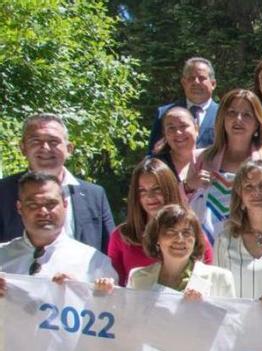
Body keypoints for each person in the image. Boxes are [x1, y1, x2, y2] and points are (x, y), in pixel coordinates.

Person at [187, 89, 262, 241]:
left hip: (259, 247)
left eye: (246, 115)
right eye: (231, 113)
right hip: (207, 251)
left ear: (257, 123)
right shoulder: (200, 158)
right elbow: (182, 209)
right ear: (222, 119)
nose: (238, 119)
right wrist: (188, 186)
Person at [0, 114, 114, 253]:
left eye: (54, 141)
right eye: (36, 141)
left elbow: (110, 250)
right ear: (23, 148)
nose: (45, 148)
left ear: (69, 149)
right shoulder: (3, 192)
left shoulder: (94, 195)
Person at [0, 172, 114, 287]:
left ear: (65, 204)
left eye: (51, 204)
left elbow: (112, 304)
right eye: (33, 205)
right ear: (19, 208)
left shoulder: (94, 263)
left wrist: (81, 292)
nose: (43, 212)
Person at [108, 159, 213, 283]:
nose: (150, 197)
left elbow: (209, 281)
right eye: (142, 191)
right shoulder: (121, 236)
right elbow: (114, 286)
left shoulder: (192, 233)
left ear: (169, 189)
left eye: (156, 189)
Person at [214, 159, 262, 300]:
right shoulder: (225, 239)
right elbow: (217, 292)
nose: (256, 192)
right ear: (240, 195)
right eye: (249, 187)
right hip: (238, 321)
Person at [121, 204, 236, 299]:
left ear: (195, 239)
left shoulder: (220, 279)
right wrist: (104, 294)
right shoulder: (137, 278)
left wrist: (204, 309)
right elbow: (129, 322)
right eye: (171, 232)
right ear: (156, 238)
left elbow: (231, 325)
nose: (180, 239)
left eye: (187, 233)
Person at [147, 57, 219, 150]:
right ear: (184, 83)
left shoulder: (223, 114)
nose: (196, 82)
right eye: (191, 78)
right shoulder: (164, 113)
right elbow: (152, 154)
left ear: (213, 84)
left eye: (201, 78)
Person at [152, 106, 201, 181]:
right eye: (171, 128)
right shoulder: (155, 167)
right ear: (164, 134)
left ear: (196, 129)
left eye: (183, 126)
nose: (178, 133)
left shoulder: (211, 161)